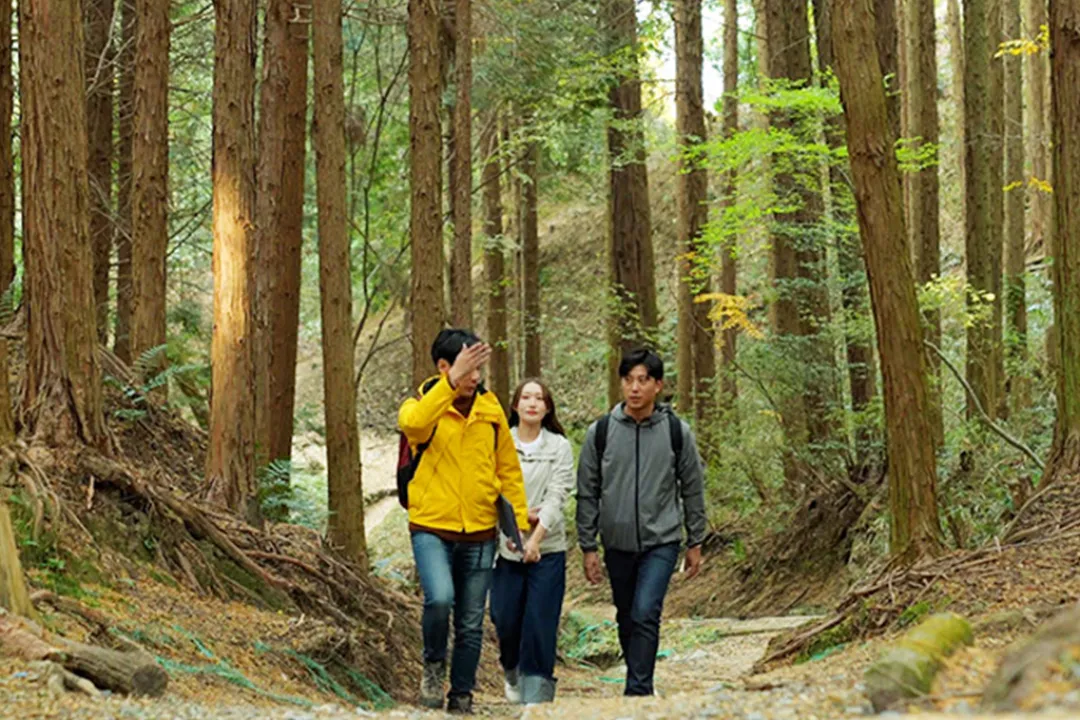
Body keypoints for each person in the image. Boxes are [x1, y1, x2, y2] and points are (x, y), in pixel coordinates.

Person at [398, 329, 530, 714]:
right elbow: (416, 426)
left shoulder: (491, 411)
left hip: (480, 529)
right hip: (430, 526)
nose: (476, 376)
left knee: (472, 621)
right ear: (444, 366)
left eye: (479, 366)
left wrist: (518, 522)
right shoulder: (421, 404)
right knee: (439, 599)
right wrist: (450, 384)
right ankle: (433, 665)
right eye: (468, 366)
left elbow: (508, 469)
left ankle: (461, 695)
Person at [575, 348, 707, 698]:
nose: (635, 388)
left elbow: (693, 488)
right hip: (616, 541)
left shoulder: (677, 432)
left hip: (661, 540)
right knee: (626, 615)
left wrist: (696, 541)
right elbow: (586, 492)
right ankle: (637, 678)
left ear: (658, 385)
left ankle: (639, 691)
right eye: (628, 380)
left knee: (646, 610)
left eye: (643, 380)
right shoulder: (600, 432)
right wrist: (588, 545)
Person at [490, 379, 575, 705]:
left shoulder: (559, 446)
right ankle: (510, 669)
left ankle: (536, 700)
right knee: (505, 618)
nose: (532, 403)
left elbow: (558, 495)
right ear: (514, 405)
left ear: (547, 407)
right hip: (506, 548)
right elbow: (491, 490)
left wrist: (536, 540)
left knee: (541, 623)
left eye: (539, 398)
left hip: (548, 550)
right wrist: (513, 528)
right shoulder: (501, 442)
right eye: (526, 397)